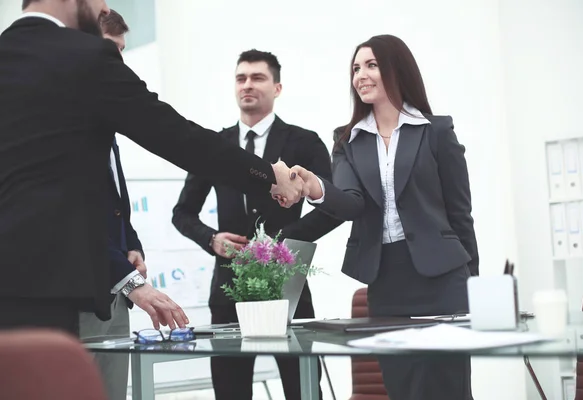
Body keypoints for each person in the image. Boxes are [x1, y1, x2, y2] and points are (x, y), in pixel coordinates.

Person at [0, 0, 304, 337]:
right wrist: (268, 175)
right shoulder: (85, 56)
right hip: (58, 291)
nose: (104, 8)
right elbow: (175, 136)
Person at [290, 34, 479, 400]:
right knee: (403, 389)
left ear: (396, 69)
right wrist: (316, 188)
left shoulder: (435, 130)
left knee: (449, 390)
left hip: (444, 281)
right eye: (356, 68)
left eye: (371, 65)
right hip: (387, 283)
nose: (360, 75)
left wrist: (475, 285)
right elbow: (352, 204)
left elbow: (461, 213)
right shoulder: (348, 140)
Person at [172, 49, 342, 400]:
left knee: (304, 388)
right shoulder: (214, 145)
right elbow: (182, 213)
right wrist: (212, 239)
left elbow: (334, 207)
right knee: (230, 391)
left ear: (277, 88)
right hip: (228, 286)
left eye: (258, 77)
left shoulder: (303, 141)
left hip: (288, 283)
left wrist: (281, 245)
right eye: (241, 78)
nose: (247, 85)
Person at [76, 9, 145, 400]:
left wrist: (131, 244)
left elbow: (114, 202)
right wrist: (131, 280)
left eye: (122, 51)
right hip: (74, 295)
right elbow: (71, 216)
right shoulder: (58, 123)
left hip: (115, 294)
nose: (117, 61)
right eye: (110, 49)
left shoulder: (105, 123)